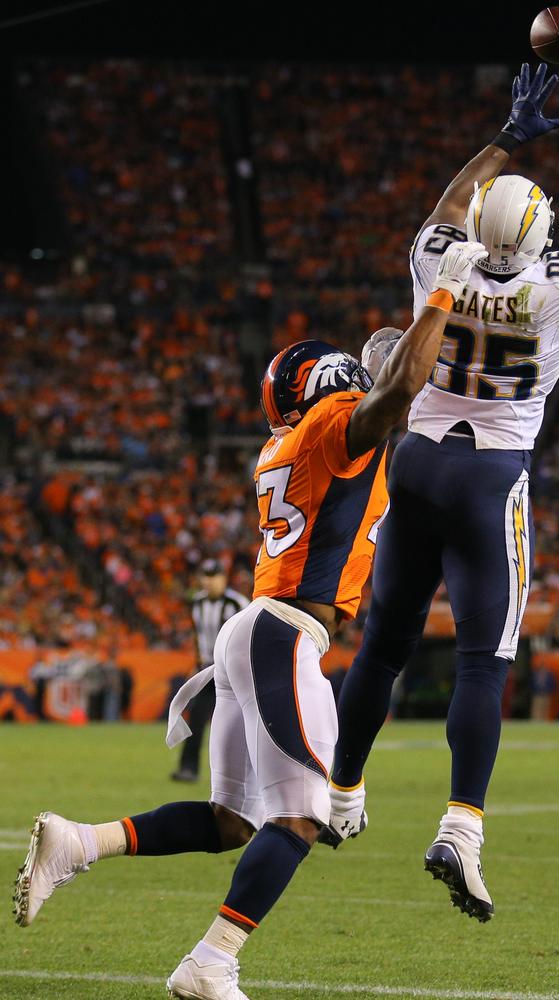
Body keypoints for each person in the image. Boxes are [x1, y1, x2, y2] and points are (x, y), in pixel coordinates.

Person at [13, 239, 486, 1000]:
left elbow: (390, 405)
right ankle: (212, 961)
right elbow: (393, 398)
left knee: (234, 820)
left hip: (257, 631)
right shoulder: (333, 424)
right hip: (283, 636)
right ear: (328, 385)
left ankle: (79, 843)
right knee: (302, 818)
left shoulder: (286, 441)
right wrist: (444, 295)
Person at [321, 65, 559, 924]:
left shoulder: (437, 258)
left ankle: (341, 793)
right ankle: (461, 827)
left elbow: (451, 206)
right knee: (483, 660)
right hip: (493, 475)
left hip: (416, 456)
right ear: (536, 237)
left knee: (382, 642)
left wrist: (509, 136)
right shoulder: (558, 286)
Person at [171, 559, 249, 782]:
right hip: (208, 668)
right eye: (205, 576)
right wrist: (197, 663)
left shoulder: (237, 603)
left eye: (213, 576)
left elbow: (245, 636)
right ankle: (188, 768)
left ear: (223, 578)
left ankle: (244, 772)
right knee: (196, 716)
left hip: (234, 670)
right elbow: (198, 637)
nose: (209, 581)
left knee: (240, 721)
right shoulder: (197, 602)